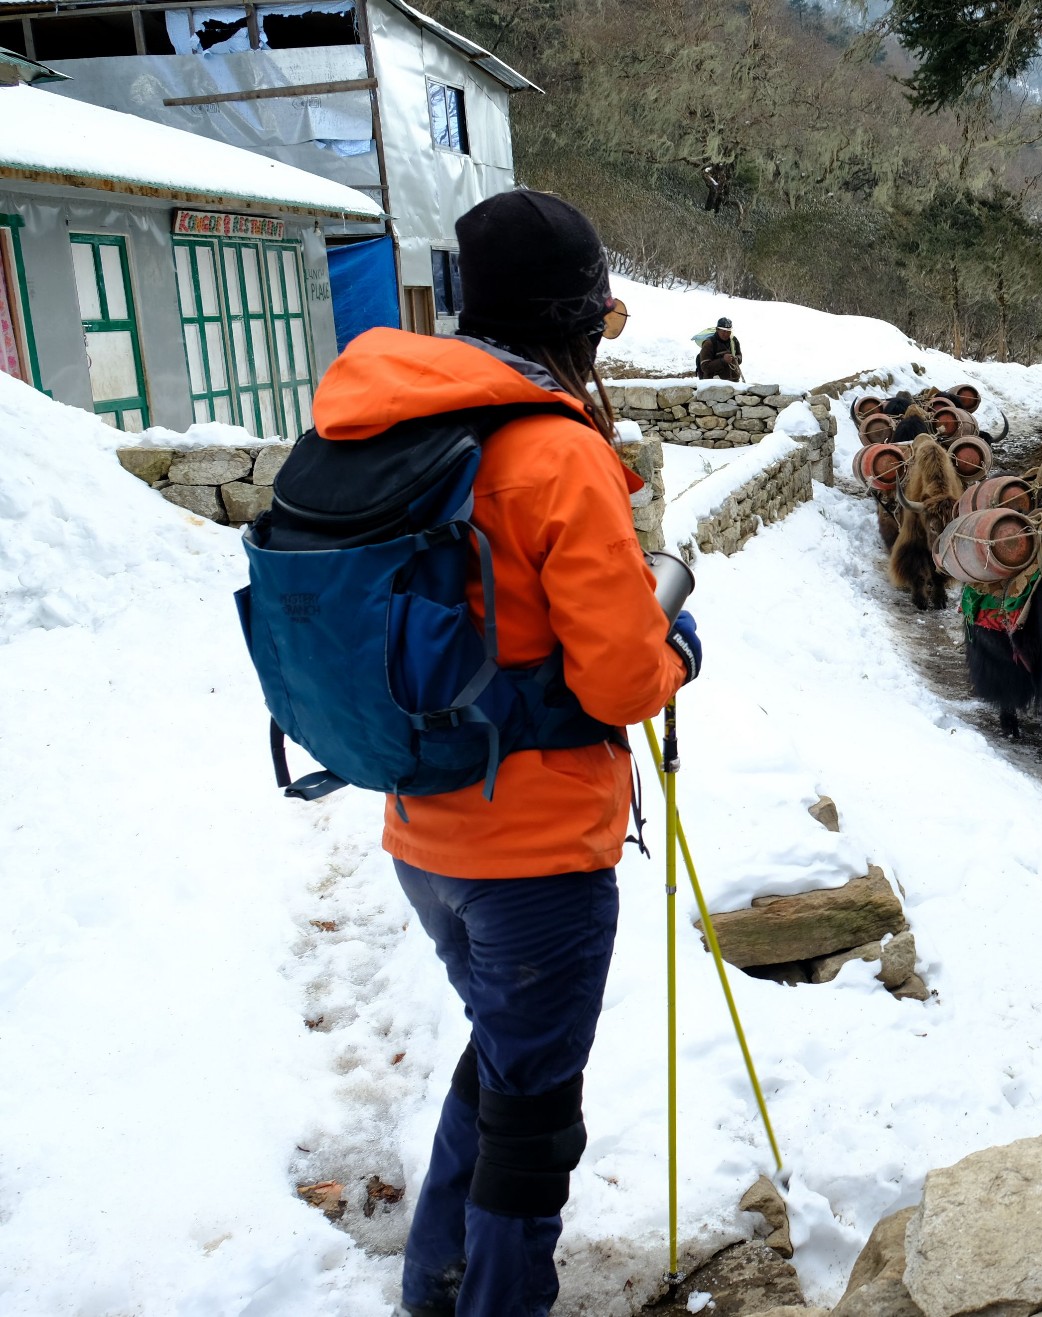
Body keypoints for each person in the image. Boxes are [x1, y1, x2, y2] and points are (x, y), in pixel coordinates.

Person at [310, 189, 699, 1317]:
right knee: (533, 1110)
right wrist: (675, 646)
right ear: (577, 317)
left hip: (422, 826)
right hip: (534, 850)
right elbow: (620, 680)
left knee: (503, 1061)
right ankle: (491, 1301)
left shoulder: (392, 421)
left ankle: (436, 1280)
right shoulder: (548, 449)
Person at [695, 316, 742, 380]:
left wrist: (735, 358)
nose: (726, 334)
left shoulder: (733, 340)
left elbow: (739, 356)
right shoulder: (709, 344)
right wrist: (723, 361)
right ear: (717, 330)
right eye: (724, 331)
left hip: (734, 381)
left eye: (728, 331)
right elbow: (705, 367)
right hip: (715, 384)